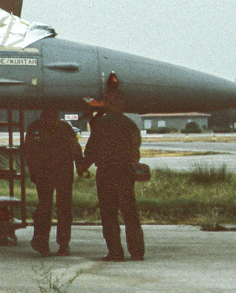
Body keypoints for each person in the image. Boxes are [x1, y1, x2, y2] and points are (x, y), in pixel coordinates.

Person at [84, 89, 144, 261]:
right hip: (126, 172)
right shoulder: (130, 124)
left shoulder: (102, 123)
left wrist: (83, 166)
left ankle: (115, 252)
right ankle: (137, 252)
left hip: (107, 172)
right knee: (130, 212)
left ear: (107, 103)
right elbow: (136, 148)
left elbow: (92, 148)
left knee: (109, 213)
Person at [22, 108, 86, 256]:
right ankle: (42, 240)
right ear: (43, 115)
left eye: (53, 114)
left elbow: (75, 148)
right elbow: (28, 151)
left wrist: (80, 166)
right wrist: (33, 171)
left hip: (63, 173)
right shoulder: (34, 128)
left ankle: (64, 243)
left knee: (64, 207)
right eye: (47, 114)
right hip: (43, 174)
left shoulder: (65, 128)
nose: (51, 117)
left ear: (57, 115)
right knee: (44, 207)